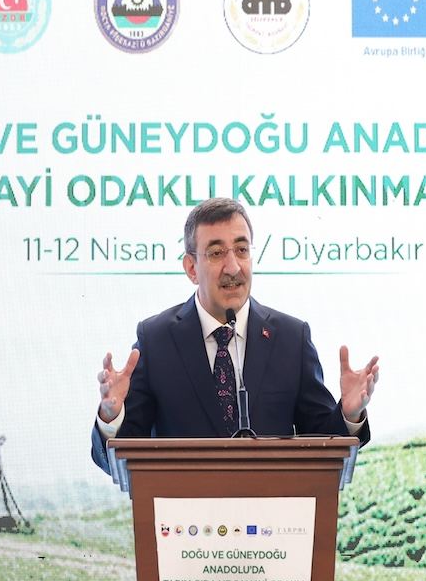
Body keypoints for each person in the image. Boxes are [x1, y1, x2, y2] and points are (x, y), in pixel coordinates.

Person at [91, 197, 379, 472]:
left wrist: (349, 415)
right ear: (191, 268)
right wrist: (110, 418)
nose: (233, 267)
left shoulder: (291, 339)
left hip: (273, 505)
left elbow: (321, 444)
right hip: (184, 506)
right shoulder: (156, 340)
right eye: (216, 253)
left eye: (241, 250)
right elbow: (123, 456)